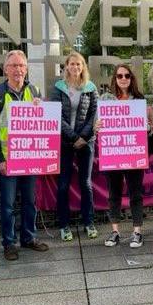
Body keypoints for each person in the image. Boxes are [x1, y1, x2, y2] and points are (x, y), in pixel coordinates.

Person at [0, 50, 48, 261]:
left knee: (30, 201)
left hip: (30, 159)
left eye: (21, 65)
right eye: (13, 66)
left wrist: (43, 108)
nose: (18, 70)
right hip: (8, 160)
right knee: (8, 205)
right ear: (5, 69)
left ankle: (29, 238)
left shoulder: (35, 90)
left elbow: (42, 124)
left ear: (26, 68)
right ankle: (9, 243)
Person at [50, 51, 98, 241]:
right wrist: (72, 136)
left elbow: (94, 114)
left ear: (83, 66)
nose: (75, 67)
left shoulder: (90, 87)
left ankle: (89, 222)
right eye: (72, 64)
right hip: (65, 141)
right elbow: (56, 115)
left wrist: (83, 137)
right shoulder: (58, 88)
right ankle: (64, 225)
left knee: (86, 184)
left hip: (87, 142)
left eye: (79, 64)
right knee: (63, 185)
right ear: (66, 66)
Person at [99, 64, 148, 248]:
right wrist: (97, 127)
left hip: (134, 153)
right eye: (119, 75)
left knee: (136, 193)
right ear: (115, 78)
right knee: (114, 193)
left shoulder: (139, 99)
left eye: (127, 75)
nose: (123, 78)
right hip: (113, 153)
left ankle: (137, 232)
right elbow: (100, 124)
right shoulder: (105, 99)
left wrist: (148, 127)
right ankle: (115, 231)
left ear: (131, 78)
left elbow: (149, 127)